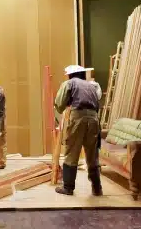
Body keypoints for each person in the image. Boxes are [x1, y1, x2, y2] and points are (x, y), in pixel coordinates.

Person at [54, 65, 103, 197]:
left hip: (78, 118)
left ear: (70, 75)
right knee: (92, 155)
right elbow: (97, 103)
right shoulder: (92, 86)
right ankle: (97, 188)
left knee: (72, 151)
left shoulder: (69, 83)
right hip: (94, 119)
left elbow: (59, 105)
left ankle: (68, 187)